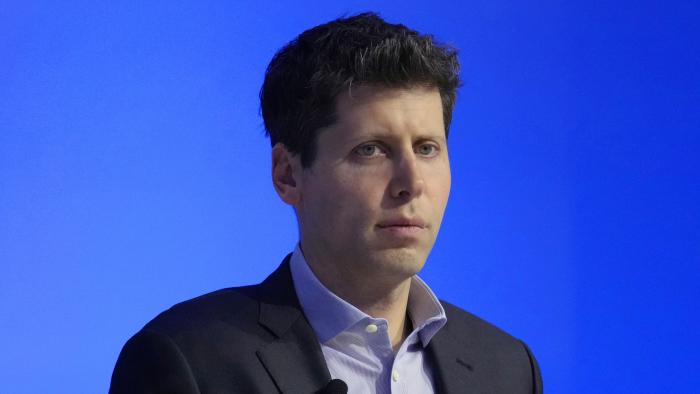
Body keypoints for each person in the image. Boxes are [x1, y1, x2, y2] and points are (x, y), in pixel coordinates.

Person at [110, 12, 543, 394]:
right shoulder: (189, 361)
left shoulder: (507, 368)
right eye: (371, 150)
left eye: (427, 148)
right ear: (288, 174)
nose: (411, 183)